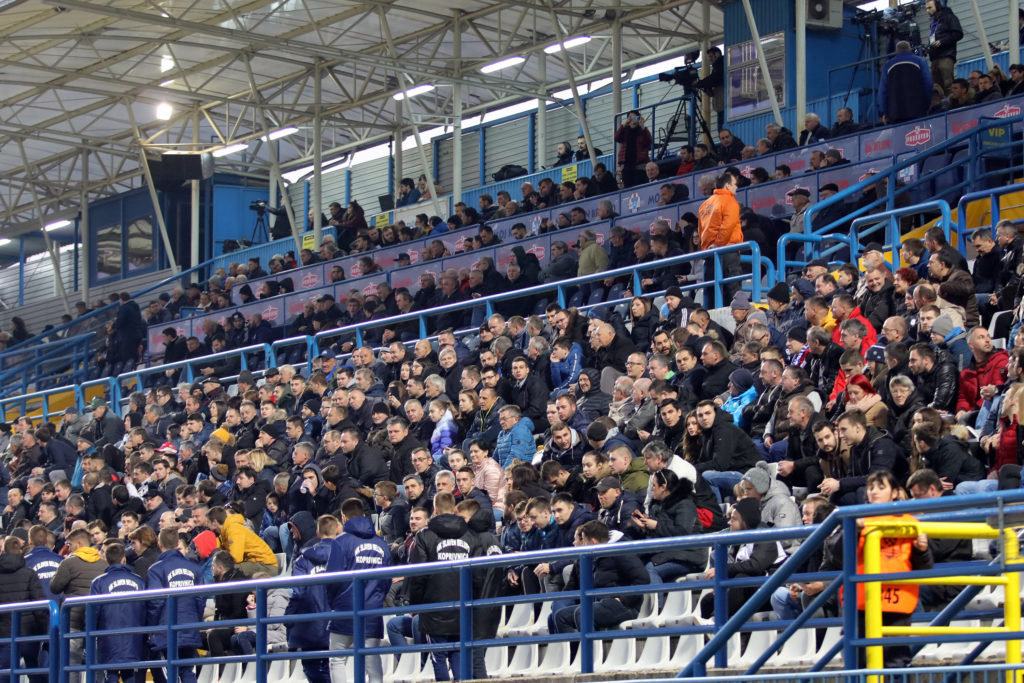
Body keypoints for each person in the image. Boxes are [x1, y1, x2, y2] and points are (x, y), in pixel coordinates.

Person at [820, 469, 932, 669]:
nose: (874, 492)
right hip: (862, 604)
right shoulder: (856, 519)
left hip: (896, 604)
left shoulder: (909, 523)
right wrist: (855, 529)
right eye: (871, 487)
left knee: (895, 664)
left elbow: (924, 566)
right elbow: (837, 553)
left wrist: (921, 549)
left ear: (895, 492)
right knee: (859, 662)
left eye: (881, 487)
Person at [326, 499, 390, 683]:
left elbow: (332, 579)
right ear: (364, 515)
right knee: (372, 659)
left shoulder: (341, 542)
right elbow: (386, 581)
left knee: (337, 659)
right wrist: (377, 600)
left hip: (345, 607)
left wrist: (334, 603)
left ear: (343, 517)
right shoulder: (382, 543)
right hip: (372, 609)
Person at [550, 520, 650, 633]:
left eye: (585, 540)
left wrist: (623, 598)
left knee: (582, 613)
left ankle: (591, 650)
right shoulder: (597, 556)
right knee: (561, 616)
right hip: (603, 603)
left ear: (593, 542)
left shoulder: (620, 552)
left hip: (625, 606)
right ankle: (578, 650)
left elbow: (643, 578)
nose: (583, 544)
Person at [146, 527, 205, 683]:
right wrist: (195, 621)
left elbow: (155, 601)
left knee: (169, 671)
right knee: (187, 671)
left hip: (166, 629)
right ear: (178, 542)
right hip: (188, 626)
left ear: (159, 544)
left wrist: (151, 627)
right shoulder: (194, 568)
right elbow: (200, 599)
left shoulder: (156, 569)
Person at [90, 542, 146, 683]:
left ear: (107, 560)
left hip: (108, 638)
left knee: (111, 676)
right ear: (124, 559)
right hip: (133, 638)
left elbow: (93, 613)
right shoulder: (138, 581)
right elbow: (145, 609)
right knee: (130, 676)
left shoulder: (98, 582)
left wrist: (90, 633)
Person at [698, 172, 743, 306]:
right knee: (733, 292)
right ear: (727, 186)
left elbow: (701, 230)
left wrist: (709, 247)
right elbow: (727, 226)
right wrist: (719, 244)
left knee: (712, 295)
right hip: (727, 251)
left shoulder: (704, 204)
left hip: (709, 254)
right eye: (735, 185)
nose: (737, 188)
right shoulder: (730, 201)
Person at [878, 41, 933, 124]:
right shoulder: (920, 61)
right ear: (910, 49)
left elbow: (882, 91)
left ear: (896, 51)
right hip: (918, 110)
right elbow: (928, 83)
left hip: (895, 113)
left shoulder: (888, 65)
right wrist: (927, 104)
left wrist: (883, 112)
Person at [925, 0, 962, 94]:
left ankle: (952, 103)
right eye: (926, 8)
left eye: (930, 7)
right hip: (934, 58)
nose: (927, 10)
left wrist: (942, 41)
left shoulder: (950, 17)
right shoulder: (933, 22)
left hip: (946, 55)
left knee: (949, 85)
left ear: (937, 6)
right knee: (937, 88)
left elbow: (958, 34)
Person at [614, 110, 652, 188]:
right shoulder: (624, 130)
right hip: (627, 164)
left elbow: (648, 141)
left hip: (639, 164)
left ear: (638, 118)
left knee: (640, 185)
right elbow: (617, 138)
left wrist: (642, 126)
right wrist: (624, 124)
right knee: (628, 187)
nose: (632, 120)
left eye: (635, 117)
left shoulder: (642, 130)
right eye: (630, 117)